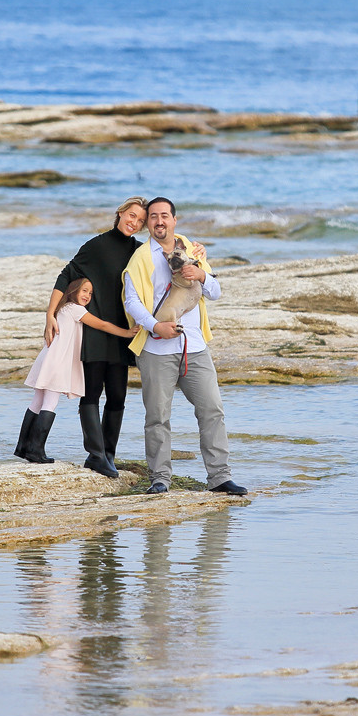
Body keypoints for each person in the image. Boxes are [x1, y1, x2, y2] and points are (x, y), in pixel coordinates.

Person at [122, 197, 247, 496]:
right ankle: (160, 479)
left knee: (212, 411)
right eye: (153, 216)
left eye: (165, 215)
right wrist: (156, 326)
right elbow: (131, 301)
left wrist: (201, 274)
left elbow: (214, 292)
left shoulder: (191, 250)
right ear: (147, 223)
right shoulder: (140, 258)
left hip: (195, 348)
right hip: (156, 350)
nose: (159, 221)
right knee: (157, 418)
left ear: (174, 220)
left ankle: (219, 478)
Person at [44, 197, 147, 478]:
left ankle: (108, 455)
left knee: (117, 396)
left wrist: (195, 250)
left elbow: (166, 259)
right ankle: (95, 455)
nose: (134, 222)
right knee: (91, 394)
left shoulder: (139, 251)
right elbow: (66, 275)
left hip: (122, 332)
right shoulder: (96, 245)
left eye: (140, 220)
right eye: (131, 215)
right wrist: (50, 315)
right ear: (120, 213)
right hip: (94, 330)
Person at [16, 278, 139, 464]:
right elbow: (102, 325)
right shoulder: (75, 309)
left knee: (37, 401)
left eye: (90, 293)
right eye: (84, 291)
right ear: (73, 290)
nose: (88, 296)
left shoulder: (61, 309)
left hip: (47, 358)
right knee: (49, 403)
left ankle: (23, 447)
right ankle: (36, 450)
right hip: (58, 362)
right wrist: (126, 333)